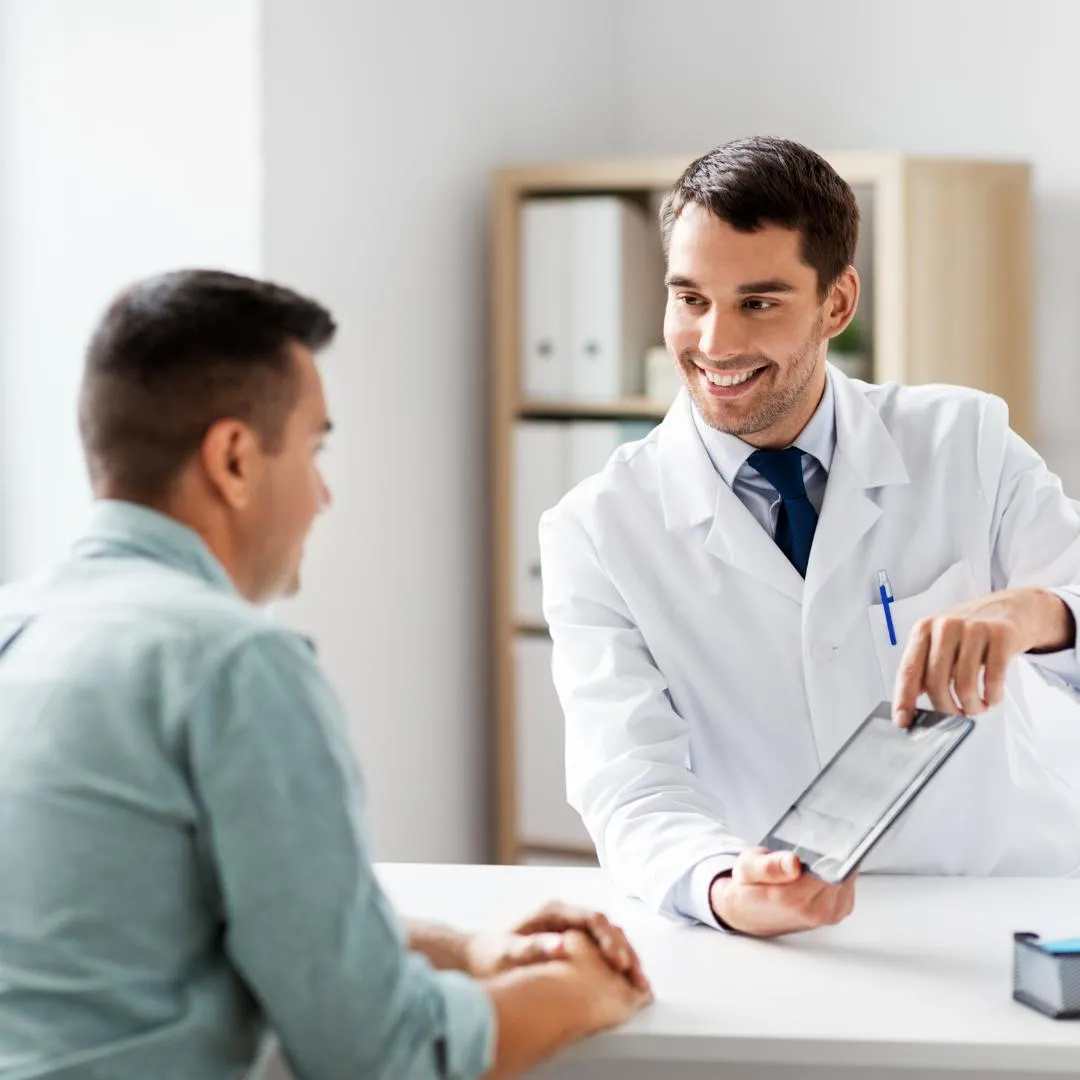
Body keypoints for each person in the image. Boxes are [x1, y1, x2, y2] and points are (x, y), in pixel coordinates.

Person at [0, 270, 651, 1079]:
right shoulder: (234, 664)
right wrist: (581, 993)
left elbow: (227, 911)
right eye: (314, 448)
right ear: (233, 459)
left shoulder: (19, 627)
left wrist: (470, 946)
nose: (323, 494)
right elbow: (385, 1054)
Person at [539, 136, 1080, 939]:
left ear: (837, 303)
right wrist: (724, 886)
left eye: (759, 303)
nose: (715, 344)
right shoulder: (597, 528)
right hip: (786, 935)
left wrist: (1030, 615)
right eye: (690, 299)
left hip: (1001, 910)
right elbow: (630, 784)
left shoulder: (964, 439)